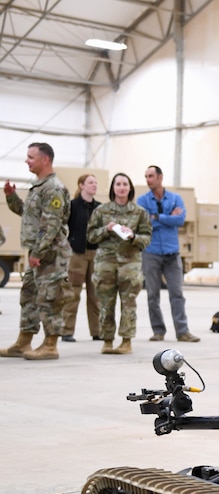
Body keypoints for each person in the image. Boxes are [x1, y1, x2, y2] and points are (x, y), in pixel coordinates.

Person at [0, 142, 71, 360]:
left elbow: (50, 225)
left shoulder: (53, 188)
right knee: (29, 296)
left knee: (50, 298)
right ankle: (24, 342)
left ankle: (50, 345)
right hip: (37, 252)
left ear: (45, 159)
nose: (26, 160)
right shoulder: (39, 186)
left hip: (50, 254)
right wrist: (11, 196)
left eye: (31, 157)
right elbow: (28, 215)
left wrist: (38, 253)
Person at [87, 173, 152, 355]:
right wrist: (106, 229)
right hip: (105, 263)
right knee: (106, 303)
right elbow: (91, 236)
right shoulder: (101, 211)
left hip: (129, 264)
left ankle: (126, 341)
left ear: (130, 188)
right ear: (113, 188)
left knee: (128, 303)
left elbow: (147, 239)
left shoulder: (140, 212)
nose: (121, 187)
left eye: (125, 184)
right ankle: (107, 340)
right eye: (118, 184)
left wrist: (133, 236)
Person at [137, 165, 200, 342]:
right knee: (152, 295)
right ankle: (158, 331)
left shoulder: (175, 198)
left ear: (160, 177)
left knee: (177, 293)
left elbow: (180, 220)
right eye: (146, 176)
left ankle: (182, 331)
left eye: (150, 176)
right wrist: (166, 218)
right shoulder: (142, 201)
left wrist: (157, 217)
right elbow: (143, 224)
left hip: (172, 253)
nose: (148, 179)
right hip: (151, 252)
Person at [61, 174, 102, 342]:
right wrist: (67, 245)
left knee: (95, 295)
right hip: (77, 254)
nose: (94, 185)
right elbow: (62, 226)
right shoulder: (72, 206)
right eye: (91, 182)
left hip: (96, 254)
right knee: (73, 293)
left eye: (95, 182)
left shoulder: (100, 208)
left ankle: (97, 331)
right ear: (81, 185)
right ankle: (67, 331)